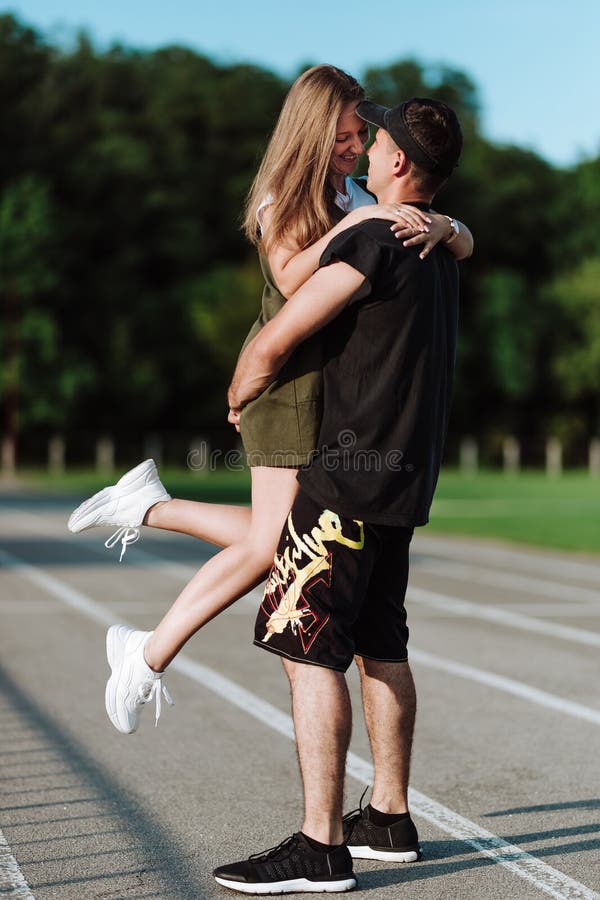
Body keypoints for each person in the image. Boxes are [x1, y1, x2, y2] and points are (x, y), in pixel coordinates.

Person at [68, 67, 472, 735]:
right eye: (345, 135)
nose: (354, 145)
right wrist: (372, 217)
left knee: (277, 538)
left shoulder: (347, 190)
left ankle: (147, 520)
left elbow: (459, 239)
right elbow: (289, 274)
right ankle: (146, 650)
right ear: (313, 134)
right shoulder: (285, 195)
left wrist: (447, 225)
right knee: (271, 547)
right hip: (283, 387)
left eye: (359, 135)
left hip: (325, 388)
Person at [211, 96, 464, 894]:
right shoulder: (438, 248)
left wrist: (240, 389)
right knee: (381, 642)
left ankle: (320, 845)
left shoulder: (371, 236)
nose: (366, 145)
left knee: (305, 649)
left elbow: (285, 328)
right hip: (402, 481)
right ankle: (387, 816)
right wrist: (453, 227)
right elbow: (457, 236)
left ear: (395, 166)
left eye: (377, 139)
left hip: (344, 484)